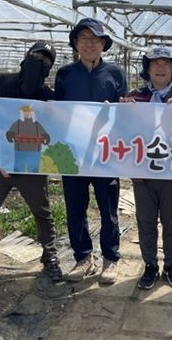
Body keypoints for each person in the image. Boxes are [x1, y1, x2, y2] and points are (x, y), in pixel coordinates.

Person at [0, 41, 62, 282]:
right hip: (0, 164)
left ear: (49, 69)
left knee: (42, 212)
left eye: (45, 61)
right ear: (25, 56)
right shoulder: (0, 82)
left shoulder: (48, 97)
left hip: (31, 167)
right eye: (36, 57)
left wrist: (58, 112)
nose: (39, 63)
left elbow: (55, 130)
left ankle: (50, 257)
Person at [55, 18, 127, 285]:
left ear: (103, 44)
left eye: (95, 39)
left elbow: (125, 112)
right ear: (75, 43)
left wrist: (119, 109)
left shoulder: (115, 73)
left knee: (108, 209)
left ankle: (110, 258)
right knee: (75, 207)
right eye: (84, 38)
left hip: (105, 153)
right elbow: (56, 111)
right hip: (73, 152)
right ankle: (83, 257)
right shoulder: (65, 74)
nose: (89, 44)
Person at [120, 47, 172, 290]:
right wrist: (123, 111)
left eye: (166, 63)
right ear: (148, 69)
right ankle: (150, 265)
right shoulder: (135, 97)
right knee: (146, 220)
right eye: (155, 63)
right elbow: (122, 131)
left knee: (171, 220)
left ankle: (171, 264)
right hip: (142, 171)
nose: (161, 68)